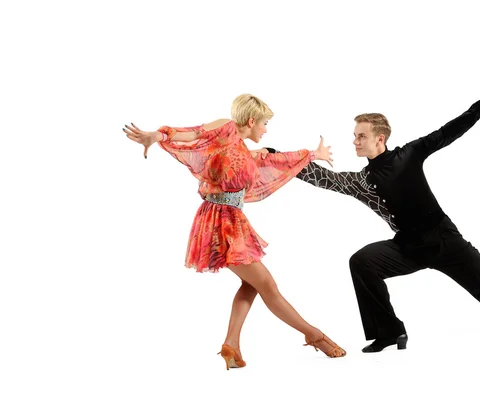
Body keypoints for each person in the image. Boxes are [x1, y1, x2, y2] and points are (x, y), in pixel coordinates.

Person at [274, 82, 480, 353]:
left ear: (379, 139)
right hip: (407, 247)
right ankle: (390, 333)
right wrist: (275, 158)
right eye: (355, 135)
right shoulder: (362, 181)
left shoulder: (409, 154)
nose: (355, 141)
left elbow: (447, 132)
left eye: (361, 136)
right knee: (362, 262)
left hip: (443, 240)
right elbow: (324, 179)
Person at [123, 94, 346, 370]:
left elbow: (275, 161)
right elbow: (192, 132)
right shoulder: (226, 129)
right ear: (251, 121)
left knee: (251, 284)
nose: (266, 129)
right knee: (268, 287)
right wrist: (156, 136)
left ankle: (232, 344)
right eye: (265, 123)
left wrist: (313, 154)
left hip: (230, 219)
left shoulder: (240, 149)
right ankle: (314, 335)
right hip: (222, 221)